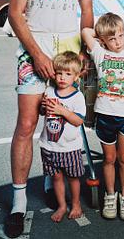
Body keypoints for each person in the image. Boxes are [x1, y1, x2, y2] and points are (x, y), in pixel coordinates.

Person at [5, 0, 94, 238]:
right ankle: (18, 201)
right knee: (28, 124)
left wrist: (85, 51)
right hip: (34, 50)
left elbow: (87, 15)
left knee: (62, 119)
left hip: (69, 52)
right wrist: (37, 54)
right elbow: (15, 13)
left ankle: (52, 173)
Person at [81, 12, 124, 220]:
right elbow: (85, 32)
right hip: (105, 115)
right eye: (112, 39)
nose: (118, 42)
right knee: (109, 159)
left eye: (120, 36)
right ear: (103, 41)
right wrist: (101, 36)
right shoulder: (100, 54)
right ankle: (111, 195)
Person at [39, 51, 85, 222]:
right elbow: (43, 112)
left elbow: (78, 120)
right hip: (50, 145)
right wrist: (43, 107)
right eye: (59, 73)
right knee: (56, 177)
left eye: (68, 74)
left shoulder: (77, 96)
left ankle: (76, 204)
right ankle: (62, 205)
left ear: (76, 76)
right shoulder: (50, 91)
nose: (62, 78)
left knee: (73, 178)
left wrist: (62, 110)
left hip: (70, 147)